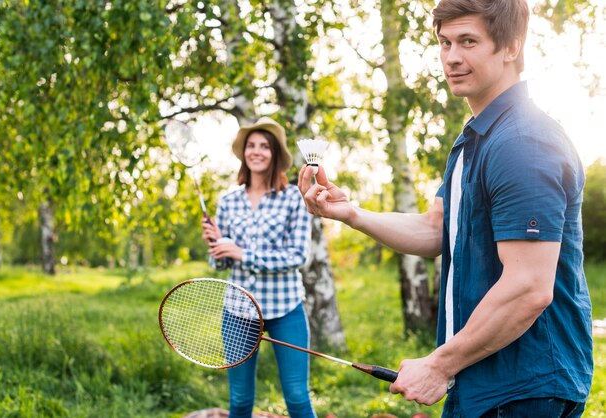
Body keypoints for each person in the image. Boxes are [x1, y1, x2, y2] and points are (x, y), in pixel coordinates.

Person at [298, 0, 593, 416]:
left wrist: (439, 365)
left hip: (524, 386)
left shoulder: (522, 142)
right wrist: (350, 213)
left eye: (468, 41)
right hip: (484, 381)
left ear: (511, 46)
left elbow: (529, 287)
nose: (451, 57)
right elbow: (437, 228)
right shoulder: (478, 136)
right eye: (444, 42)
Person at [201, 117, 316, 418]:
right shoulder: (228, 201)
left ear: (275, 153)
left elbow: (296, 256)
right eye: (251, 146)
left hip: (285, 308)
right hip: (238, 311)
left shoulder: (294, 198)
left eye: (264, 146)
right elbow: (220, 263)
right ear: (244, 153)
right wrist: (216, 244)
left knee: (297, 397)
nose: (257, 151)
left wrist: (242, 253)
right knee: (239, 401)